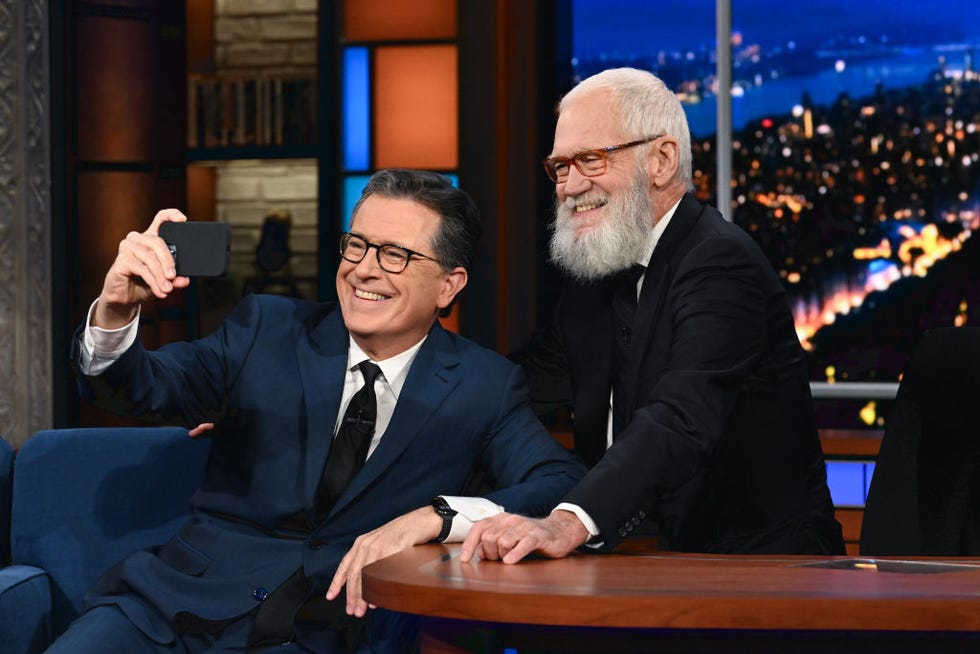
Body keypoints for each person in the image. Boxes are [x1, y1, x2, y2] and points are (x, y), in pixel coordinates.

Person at [55, 169, 586, 652]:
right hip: (172, 611)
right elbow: (139, 389)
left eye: (395, 255)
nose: (364, 270)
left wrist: (438, 517)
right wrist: (117, 308)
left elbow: (559, 480)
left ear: (450, 283)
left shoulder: (483, 386)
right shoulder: (265, 329)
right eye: (356, 246)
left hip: (337, 630)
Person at [462, 67, 844, 564]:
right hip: (635, 561)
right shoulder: (594, 274)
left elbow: (681, 418)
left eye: (591, 160)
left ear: (662, 160)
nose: (568, 186)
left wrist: (566, 522)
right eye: (560, 167)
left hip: (761, 572)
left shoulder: (722, 262)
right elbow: (520, 390)